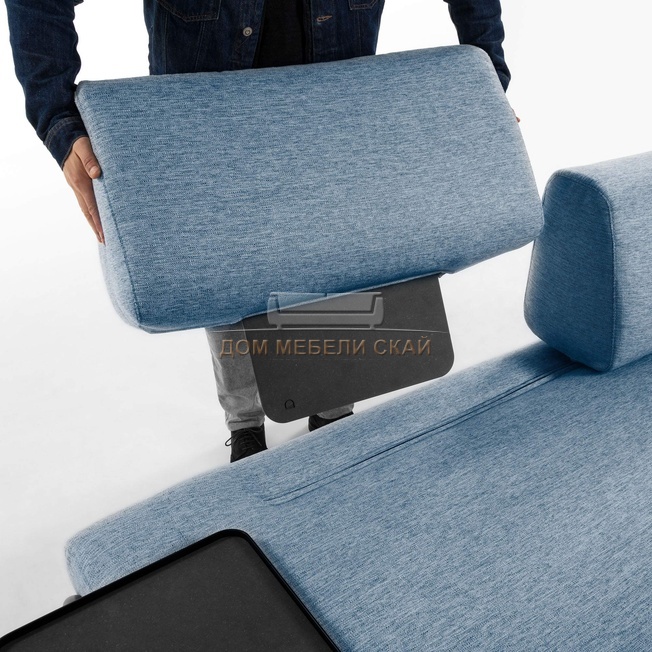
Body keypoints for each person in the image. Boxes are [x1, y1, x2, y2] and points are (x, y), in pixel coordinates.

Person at [5, 0, 511, 462]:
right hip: (202, 105)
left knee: (341, 250)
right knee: (225, 267)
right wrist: (59, 121)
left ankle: (333, 410)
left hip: (334, 90)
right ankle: (245, 423)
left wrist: (486, 79)